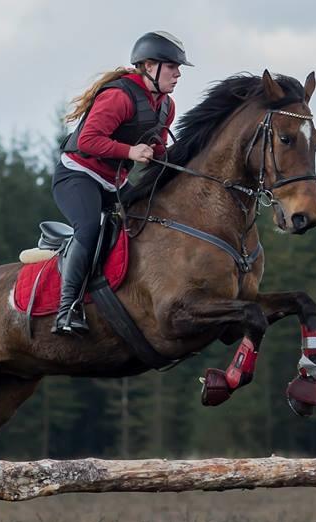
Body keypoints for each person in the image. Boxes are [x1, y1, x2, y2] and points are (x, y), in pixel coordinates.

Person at [51, 31, 192, 335]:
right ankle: (66, 309)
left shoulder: (167, 106)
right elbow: (87, 140)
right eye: (172, 67)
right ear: (149, 66)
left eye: (178, 68)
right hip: (77, 176)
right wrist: (130, 151)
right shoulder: (119, 96)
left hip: (113, 183)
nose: (178, 74)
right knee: (88, 229)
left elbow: (154, 148)